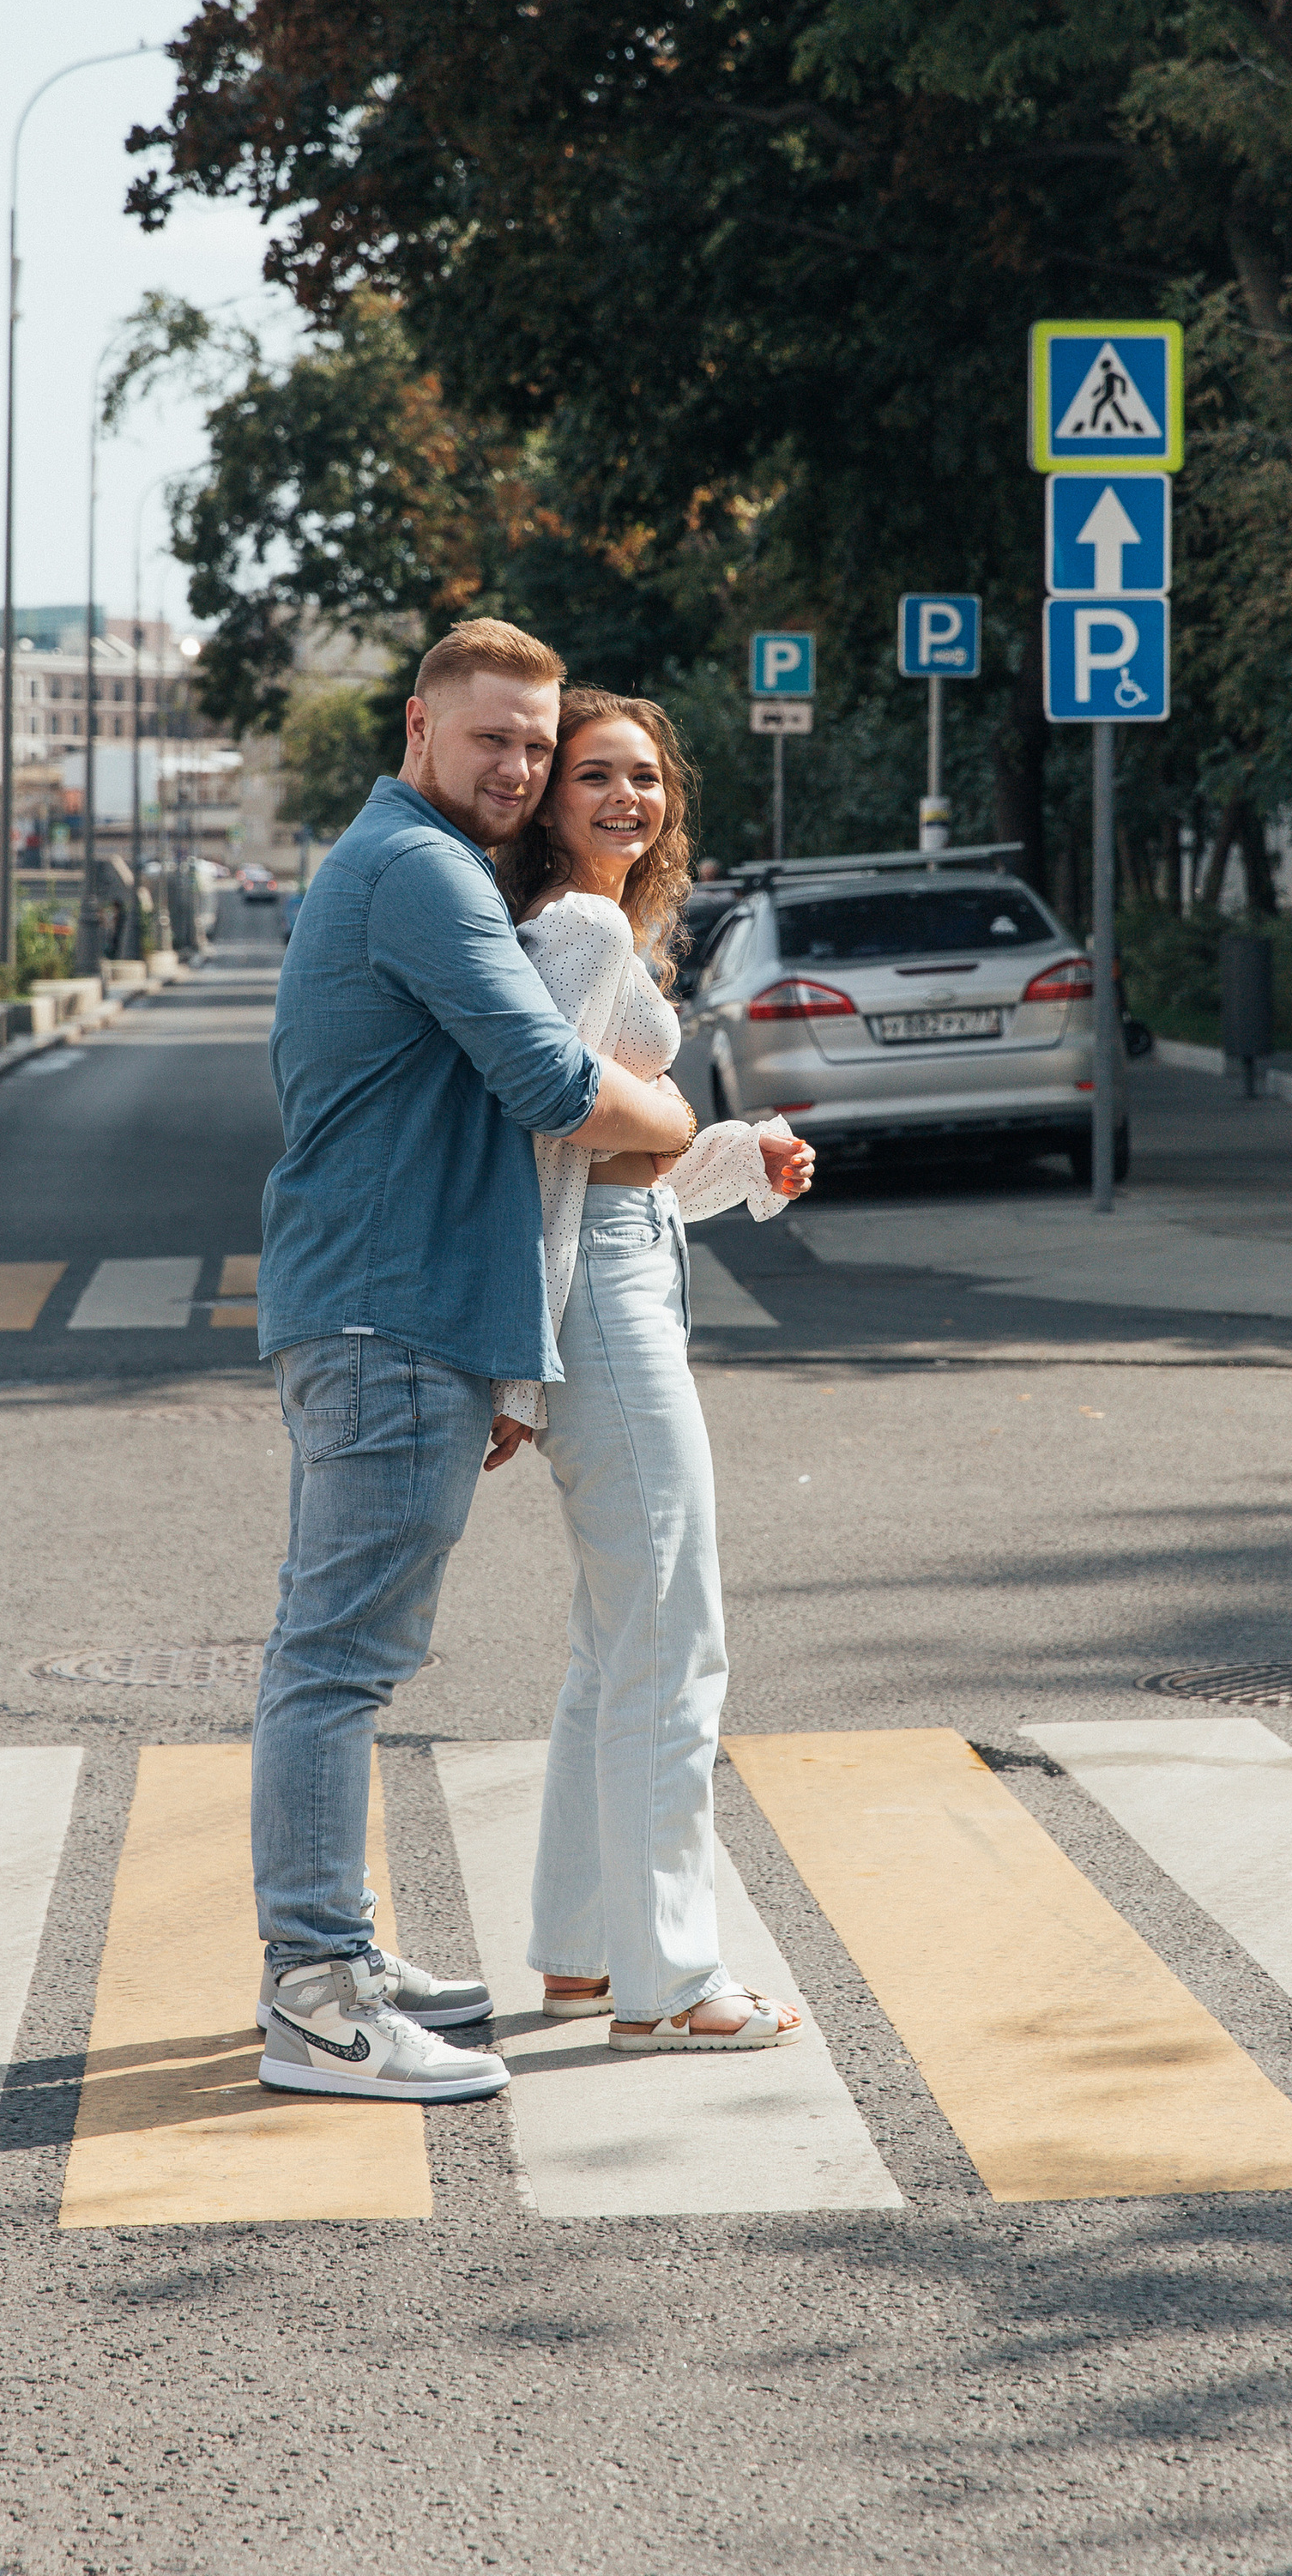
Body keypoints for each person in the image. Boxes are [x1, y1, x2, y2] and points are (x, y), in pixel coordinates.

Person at [252, 617, 699, 2106]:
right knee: (338, 1663)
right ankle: (316, 1995)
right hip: (386, 1308)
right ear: (417, 730)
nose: (516, 765)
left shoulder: (408, 864)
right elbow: (549, 1085)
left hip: (403, 1304)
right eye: (494, 738)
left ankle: (340, 1958)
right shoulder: (422, 872)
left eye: (533, 740)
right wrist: (688, 1126)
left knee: (344, 1652)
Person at [492, 693, 817, 2050]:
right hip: (603, 1301)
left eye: (646, 778)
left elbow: (603, 1160)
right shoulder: (572, 928)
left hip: (617, 1274)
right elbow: (537, 1135)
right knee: (674, 1639)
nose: (629, 799)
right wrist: (519, 1365)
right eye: (594, 778)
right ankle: (671, 1979)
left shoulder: (600, 927)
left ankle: (581, 1951)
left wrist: (733, 1156)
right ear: (549, 803)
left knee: (614, 1639)